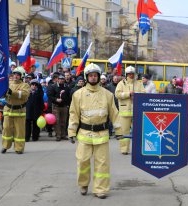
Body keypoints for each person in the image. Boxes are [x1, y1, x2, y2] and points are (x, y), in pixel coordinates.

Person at [68, 63, 122, 198]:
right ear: (87, 77)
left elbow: (114, 113)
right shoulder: (78, 94)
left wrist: (119, 131)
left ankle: (100, 189)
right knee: (82, 161)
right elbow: (73, 114)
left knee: (102, 164)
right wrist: (71, 132)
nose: (93, 78)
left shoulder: (108, 95)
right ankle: (83, 184)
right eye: (90, 75)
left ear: (99, 77)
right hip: (84, 134)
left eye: (95, 75)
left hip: (102, 134)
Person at [115, 66, 145, 155]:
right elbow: (117, 94)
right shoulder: (121, 83)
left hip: (136, 111)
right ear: (126, 74)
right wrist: (128, 94)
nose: (131, 75)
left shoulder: (139, 84)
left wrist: (137, 95)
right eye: (129, 74)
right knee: (124, 132)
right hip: (124, 112)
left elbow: (144, 93)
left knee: (138, 131)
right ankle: (124, 149)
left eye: (133, 74)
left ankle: (137, 149)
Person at [1, 67, 30, 154]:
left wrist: (12, 92)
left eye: (18, 75)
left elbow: (24, 95)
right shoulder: (8, 84)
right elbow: (3, 95)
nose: (15, 76)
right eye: (14, 74)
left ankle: (19, 148)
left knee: (19, 131)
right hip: (8, 109)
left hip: (19, 111)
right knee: (6, 129)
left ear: (21, 76)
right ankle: (5, 146)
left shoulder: (25, 85)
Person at [49, 75, 71, 141]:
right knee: (57, 121)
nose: (61, 80)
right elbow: (50, 96)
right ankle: (58, 135)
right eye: (60, 79)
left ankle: (63, 135)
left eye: (62, 79)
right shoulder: (54, 86)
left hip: (64, 107)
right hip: (56, 107)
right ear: (57, 79)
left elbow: (69, 96)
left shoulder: (66, 87)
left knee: (63, 121)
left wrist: (67, 104)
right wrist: (56, 99)